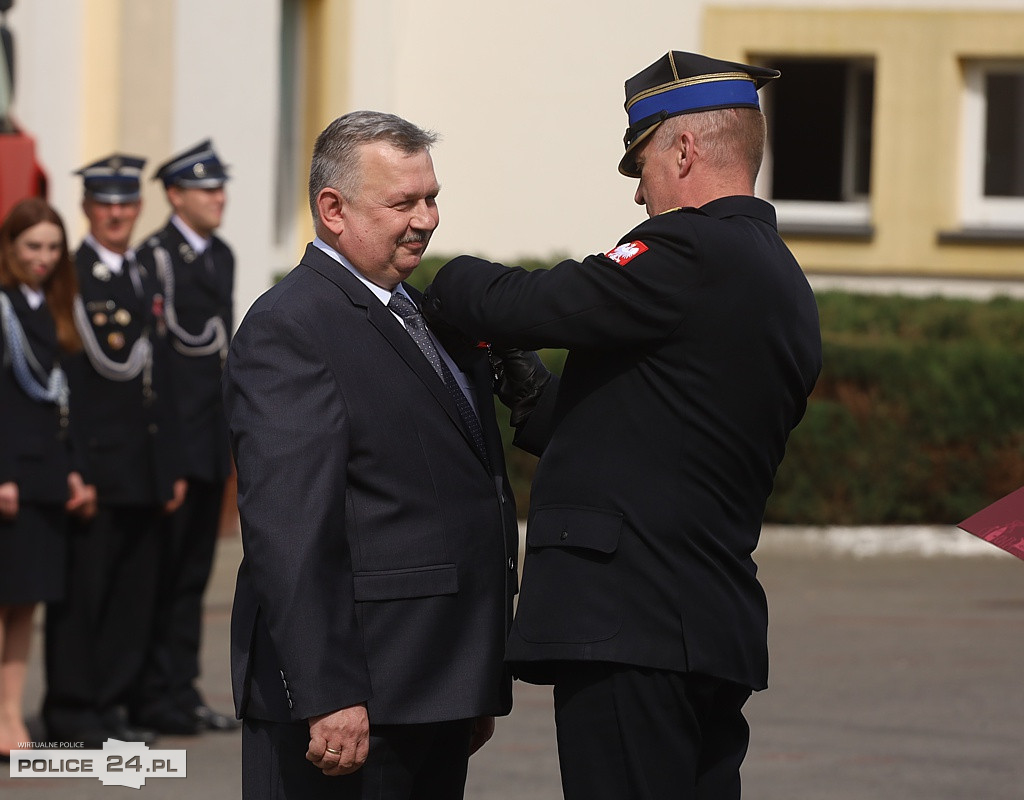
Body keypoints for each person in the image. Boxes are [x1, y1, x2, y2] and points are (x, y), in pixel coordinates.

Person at [423, 51, 823, 800]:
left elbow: (537, 302)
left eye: (641, 163)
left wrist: (449, 281)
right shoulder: (780, 278)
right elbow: (669, 425)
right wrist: (535, 393)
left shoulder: (693, 248)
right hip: (701, 625)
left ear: (683, 148)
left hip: (633, 624)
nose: (639, 192)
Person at [222, 110, 520, 800]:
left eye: (432, 197)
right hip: (353, 704)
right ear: (333, 209)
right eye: (403, 203)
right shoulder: (291, 327)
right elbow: (291, 530)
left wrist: (472, 677)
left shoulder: (417, 313)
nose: (426, 219)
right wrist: (328, 693)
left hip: (431, 686)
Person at [42, 154, 188, 747]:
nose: (118, 214)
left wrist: (171, 466)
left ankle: (113, 705)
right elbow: (65, 383)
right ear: (87, 209)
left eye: (127, 204)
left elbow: (161, 377)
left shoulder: (143, 273)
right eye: (106, 204)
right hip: (97, 464)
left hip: (144, 465)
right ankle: (72, 712)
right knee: (84, 598)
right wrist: (73, 467)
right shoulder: (70, 275)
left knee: (132, 595)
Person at [133, 140, 238, 735]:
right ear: (175, 196)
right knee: (160, 574)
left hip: (207, 442)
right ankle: (150, 695)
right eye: (206, 188)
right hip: (171, 446)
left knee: (193, 576)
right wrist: (166, 456)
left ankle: (180, 691)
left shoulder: (219, 255)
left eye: (221, 187)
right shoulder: (156, 258)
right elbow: (160, 371)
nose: (219, 197)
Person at [0, 198, 96, 757]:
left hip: (47, 478)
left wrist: (77, 472)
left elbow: (67, 402)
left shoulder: (56, 306)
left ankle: (11, 714)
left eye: (53, 247)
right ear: (10, 247)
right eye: (32, 246)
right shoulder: (6, 306)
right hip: (10, 479)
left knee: (25, 606)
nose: (43, 257)